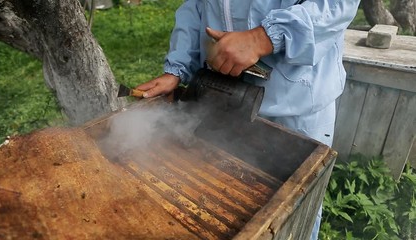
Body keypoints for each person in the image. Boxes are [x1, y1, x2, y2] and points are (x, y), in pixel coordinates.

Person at [136, 0, 360, 239]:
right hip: (222, 98)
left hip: (294, 107)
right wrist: (177, 68)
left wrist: (262, 37)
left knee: (291, 218)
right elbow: (197, 6)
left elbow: (337, 4)